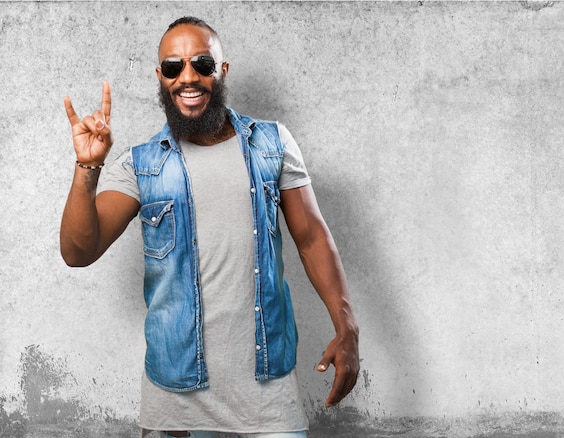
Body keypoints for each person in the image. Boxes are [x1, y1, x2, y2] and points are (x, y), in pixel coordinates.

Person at [60, 16, 359, 438]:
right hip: (175, 397)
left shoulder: (272, 143)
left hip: (266, 391)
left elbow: (312, 238)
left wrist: (347, 327)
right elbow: (78, 252)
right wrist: (88, 166)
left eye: (202, 64)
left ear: (222, 70)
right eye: (173, 67)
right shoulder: (143, 164)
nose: (188, 77)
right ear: (160, 77)